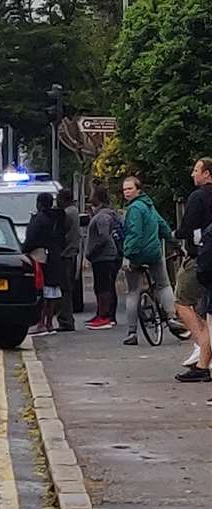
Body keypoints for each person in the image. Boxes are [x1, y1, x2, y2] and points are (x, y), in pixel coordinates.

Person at [120, 174, 187, 345]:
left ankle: (132, 332)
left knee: (133, 291)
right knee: (163, 284)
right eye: (125, 189)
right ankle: (171, 317)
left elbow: (134, 234)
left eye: (130, 189)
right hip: (154, 254)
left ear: (138, 189)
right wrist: (176, 244)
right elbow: (163, 226)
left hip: (136, 255)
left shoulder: (134, 209)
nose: (126, 192)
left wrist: (127, 255)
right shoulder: (149, 206)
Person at [170, 157, 211, 383]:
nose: (193, 174)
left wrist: (177, 234)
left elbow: (187, 227)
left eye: (196, 170)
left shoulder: (198, 197)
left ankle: (201, 345)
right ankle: (204, 358)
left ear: (207, 174)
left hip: (200, 257)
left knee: (182, 301)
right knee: (207, 310)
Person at [22, 192, 66, 337]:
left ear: (39, 203)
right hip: (55, 255)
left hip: (40, 256)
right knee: (52, 290)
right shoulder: (58, 216)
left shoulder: (39, 218)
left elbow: (31, 239)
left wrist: (23, 250)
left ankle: (40, 324)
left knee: (41, 290)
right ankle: (49, 323)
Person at [84, 185, 122, 330]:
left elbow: (104, 237)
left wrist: (92, 251)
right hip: (104, 256)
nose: (89, 197)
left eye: (92, 194)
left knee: (103, 287)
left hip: (103, 256)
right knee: (104, 286)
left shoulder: (103, 216)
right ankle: (104, 314)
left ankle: (105, 317)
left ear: (98, 197)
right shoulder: (104, 214)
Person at [55, 187, 81, 330]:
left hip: (66, 254)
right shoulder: (74, 211)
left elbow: (60, 233)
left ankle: (66, 320)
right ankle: (66, 319)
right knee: (67, 288)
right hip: (71, 253)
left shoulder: (67, 213)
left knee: (65, 289)